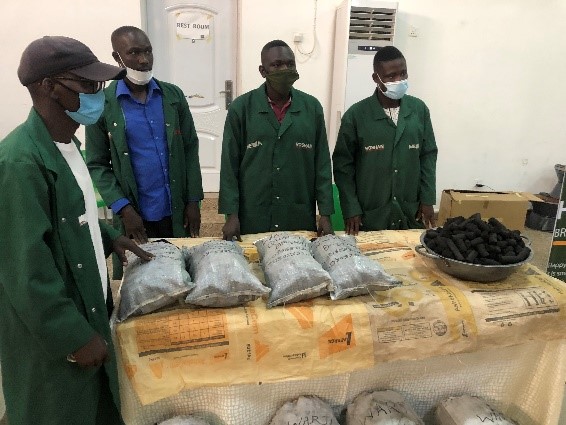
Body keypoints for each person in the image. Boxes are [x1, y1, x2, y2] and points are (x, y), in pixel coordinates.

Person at [0, 36, 153, 425]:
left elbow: (71, 216)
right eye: (87, 84)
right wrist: (73, 336)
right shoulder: (21, 163)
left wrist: (109, 237)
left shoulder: (67, 145)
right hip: (53, 345)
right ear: (49, 87)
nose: (98, 93)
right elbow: (25, 271)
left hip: (87, 311)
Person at [86, 26, 203, 277]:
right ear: (117, 58)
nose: (143, 60)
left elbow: (190, 148)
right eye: (134, 53)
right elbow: (97, 164)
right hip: (136, 214)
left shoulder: (172, 95)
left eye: (148, 51)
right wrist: (124, 209)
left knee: (180, 271)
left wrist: (194, 200)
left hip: (175, 208)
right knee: (141, 277)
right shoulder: (104, 104)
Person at [219, 39, 334, 240]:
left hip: (297, 214)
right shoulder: (241, 109)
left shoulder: (311, 108)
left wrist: (325, 213)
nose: (285, 69)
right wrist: (231, 214)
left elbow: (322, 164)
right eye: (277, 65)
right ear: (262, 71)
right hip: (253, 215)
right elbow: (230, 165)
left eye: (290, 64)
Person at [332, 46, 438, 235]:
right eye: (391, 76)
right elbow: (343, 166)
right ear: (376, 78)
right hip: (370, 214)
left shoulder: (419, 110)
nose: (399, 80)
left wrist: (428, 198)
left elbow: (428, 156)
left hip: (411, 211)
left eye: (403, 73)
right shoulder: (356, 116)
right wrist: (351, 208)